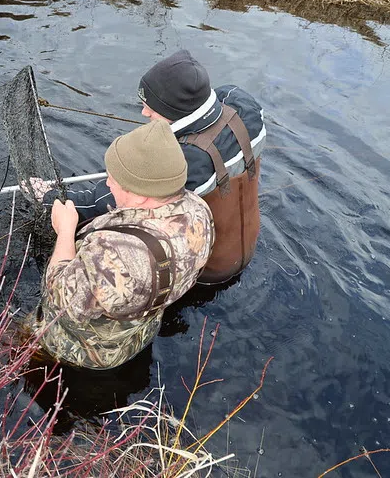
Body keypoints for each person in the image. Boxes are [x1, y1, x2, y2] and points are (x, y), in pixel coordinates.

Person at [36, 49, 265, 284]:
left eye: (153, 109)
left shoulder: (185, 162)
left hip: (208, 268)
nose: (144, 113)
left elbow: (104, 201)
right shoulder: (242, 103)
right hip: (246, 241)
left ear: (178, 110)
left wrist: (50, 197)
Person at [34, 120, 214, 370]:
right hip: (141, 334)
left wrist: (64, 230)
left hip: (86, 354)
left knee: (16, 344)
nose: (108, 183)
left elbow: (59, 300)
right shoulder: (199, 211)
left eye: (114, 179)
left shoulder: (110, 251)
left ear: (141, 194)